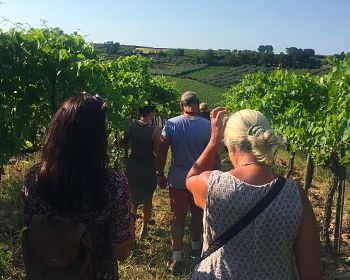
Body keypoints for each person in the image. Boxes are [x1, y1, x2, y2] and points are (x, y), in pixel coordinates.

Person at [186, 107, 322, 279]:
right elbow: (312, 273)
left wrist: (214, 140)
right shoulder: (294, 195)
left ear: (232, 146)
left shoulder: (213, 187)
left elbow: (192, 177)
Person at [22, 93, 135, 280]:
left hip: (44, 273)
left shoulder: (34, 178)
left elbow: (30, 222)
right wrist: (130, 217)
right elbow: (121, 252)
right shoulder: (114, 185)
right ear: (98, 138)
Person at [157, 91, 211, 274]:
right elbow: (213, 156)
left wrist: (159, 173)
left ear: (182, 105)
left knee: (178, 217)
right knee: (197, 215)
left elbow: (162, 150)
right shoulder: (207, 126)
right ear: (197, 104)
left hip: (178, 178)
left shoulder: (171, 124)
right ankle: (196, 250)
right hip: (199, 179)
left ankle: (176, 257)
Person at [121, 103, 161, 238]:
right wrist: (160, 171)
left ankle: (131, 228)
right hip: (147, 167)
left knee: (132, 197)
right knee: (147, 197)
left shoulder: (131, 126)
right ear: (151, 113)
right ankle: (143, 229)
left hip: (132, 166)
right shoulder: (155, 130)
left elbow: (122, 144)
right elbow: (158, 152)